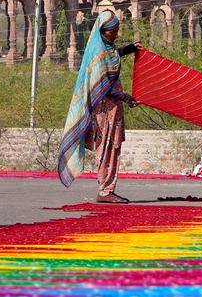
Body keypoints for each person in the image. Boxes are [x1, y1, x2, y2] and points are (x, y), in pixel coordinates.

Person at [58, 11, 142, 203]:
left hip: (114, 108)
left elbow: (112, 55)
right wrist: (127, 98)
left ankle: (108, 188)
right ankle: (105, 190)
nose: (115, 35)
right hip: (104, 110)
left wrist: (127, 49)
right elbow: (104, 86)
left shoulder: (108, 49)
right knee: (106, 147)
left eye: (117, 31)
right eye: (113, 32)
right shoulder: (98, 53)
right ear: (102, 32)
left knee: (114, 147)